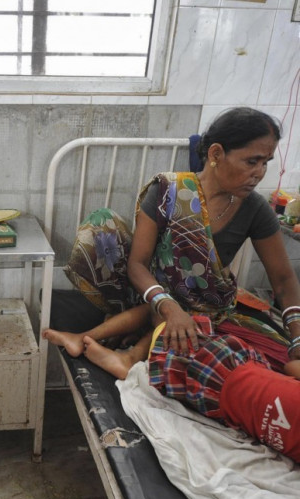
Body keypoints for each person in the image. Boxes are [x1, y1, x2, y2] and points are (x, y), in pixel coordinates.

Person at [49, 107, 300, 376]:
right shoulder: (168, 193)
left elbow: (284, 280)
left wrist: (297, 336)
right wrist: (169, 307)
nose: (260, 173)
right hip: (152, 295)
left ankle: (133, 340)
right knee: (182, 334)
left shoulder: (255, 209)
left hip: (208, 308)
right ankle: (134, 336)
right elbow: (137, 265)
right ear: (216, 154)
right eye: (252, 161)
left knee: (260, 364)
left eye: (266, 162)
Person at [75, 312, 300, 463]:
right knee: (170, 318)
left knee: (163, 316)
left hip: (218, 365)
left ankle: (120, 354)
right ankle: (126, 347)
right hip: (214, 406)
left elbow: (291, 366)